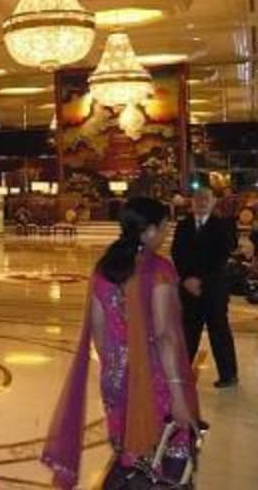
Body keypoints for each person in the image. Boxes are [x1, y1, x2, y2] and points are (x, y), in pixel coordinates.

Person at [42, 197, 200, 489]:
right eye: (163, 228)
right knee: (168, 454)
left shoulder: (105, 268)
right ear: (149, 231)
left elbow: (99, 329)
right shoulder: (159, 270)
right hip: (156, 378)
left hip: (115, 377)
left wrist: (117, 365)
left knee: (129, 453)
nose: (165, 234)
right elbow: (165, 336)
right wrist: (178, 394)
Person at [170, 187, 238, 388]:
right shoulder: (183, 225)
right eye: (197, 199)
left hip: (213, 288)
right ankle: (182, 372)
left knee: (219, 330)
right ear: (191, 202)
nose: (201, 202)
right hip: (188, 288)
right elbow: (177, 253)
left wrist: (200, 280)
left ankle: (228, 374)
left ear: (213, 202)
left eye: (205, 199)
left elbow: (222, 256)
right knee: (188, 331)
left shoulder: (222, 225)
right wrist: (186, 278)